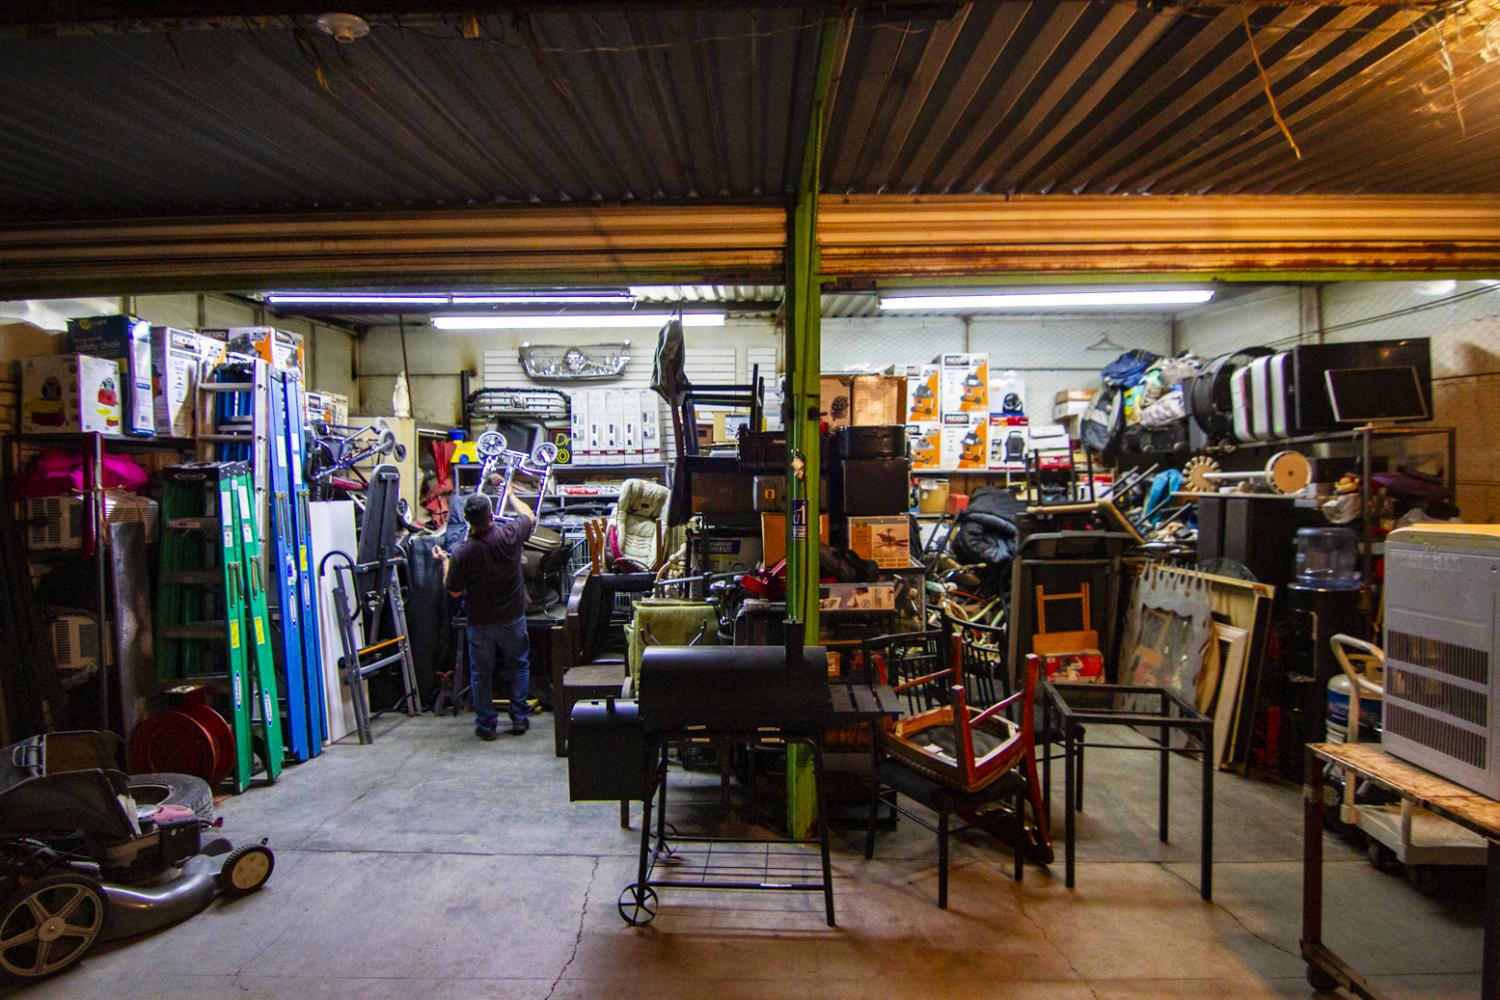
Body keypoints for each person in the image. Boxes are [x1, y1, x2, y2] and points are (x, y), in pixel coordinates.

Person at [437, 490, 536, 740]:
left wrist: (444, 562)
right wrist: (511, 494)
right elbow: (529, 516)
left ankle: (486, 727)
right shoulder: (510, 534)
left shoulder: (463, 552)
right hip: (513, 619)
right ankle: (520, 719)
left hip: (480, 623)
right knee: (518, 667)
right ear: (492, 515)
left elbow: (455, 592)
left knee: (481, 675)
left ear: (468, 521)